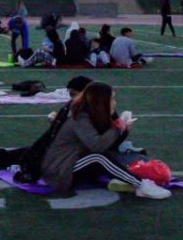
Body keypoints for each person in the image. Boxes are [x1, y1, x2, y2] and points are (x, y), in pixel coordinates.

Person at [38, 82, 170, 198]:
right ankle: (141, 185)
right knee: (98, 158)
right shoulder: (80, 119)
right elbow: (97, 147)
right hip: (59, 169)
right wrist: (118, 127)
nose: (114, 103)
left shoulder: (93, 115)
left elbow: (109, 145)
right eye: (111, 99)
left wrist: (123, 129)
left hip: (73, 161)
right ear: (100, 103)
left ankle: (125, 179)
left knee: (107, 156)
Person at [0, 76, 93, 174]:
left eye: (74, 94)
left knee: (43, 148)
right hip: (72, 149)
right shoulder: (78, 106)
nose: (72, 99)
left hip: (80, 154)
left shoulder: (93, 109)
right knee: (40, 146)